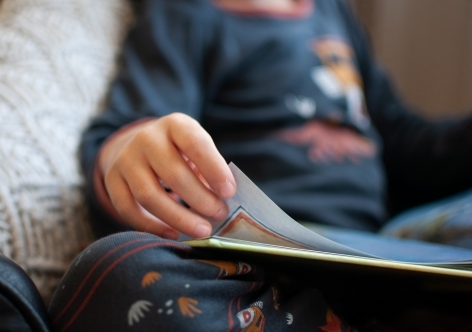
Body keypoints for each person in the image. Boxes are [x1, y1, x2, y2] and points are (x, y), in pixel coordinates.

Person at [48, 0, 472, 330]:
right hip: (270, 266)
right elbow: (130, 129)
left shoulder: (332, 10)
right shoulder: (187, 13)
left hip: (389, 251)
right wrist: (125, 152)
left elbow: (406, 143)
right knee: (121, 275)